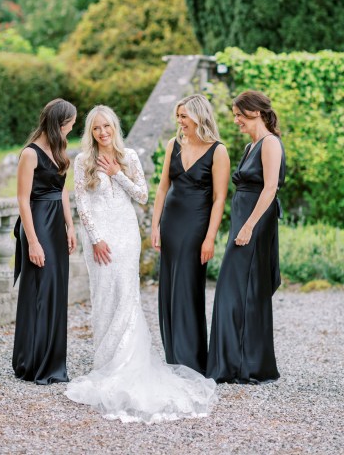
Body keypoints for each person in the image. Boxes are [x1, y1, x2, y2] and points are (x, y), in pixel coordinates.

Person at [65, 105, 217, 423]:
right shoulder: (81, 161)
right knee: (103, 297)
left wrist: (116, 173)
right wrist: (95, 238)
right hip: (100, 239)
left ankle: (127, 363)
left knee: (127, 297)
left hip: (126, 236)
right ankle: (104, 364)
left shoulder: (129, 156)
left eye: (107, 126)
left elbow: (143, 195)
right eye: (96, 128)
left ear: (114, 127)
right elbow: (81, 202)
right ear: (90, 133)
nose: (102, 132)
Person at [206, 90, 286, 384]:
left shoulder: (269, 144)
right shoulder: (250, 146)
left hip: (255, 225)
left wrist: (249, 226)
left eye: (239, 114)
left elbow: (270, 189)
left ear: (255, 112)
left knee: (243, 291)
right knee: (237, 292)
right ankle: (235, 363)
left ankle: (248, 366)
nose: (236, 120)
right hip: (243, 222)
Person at [152, 94, 230, 374]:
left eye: (184, 116)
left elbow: (219, 199)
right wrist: (155, 225)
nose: (180, 121)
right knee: (169, 288)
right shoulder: (174, 144)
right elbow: (162, 187)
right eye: (178, 116)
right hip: (171, 224)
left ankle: (192, 360)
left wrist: (210, 237)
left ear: (199, 116)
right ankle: (173, 355)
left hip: (196, 226)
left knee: (188, 287)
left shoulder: (218, 150)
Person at [12, 98, 77, 385]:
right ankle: (32, 362)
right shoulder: (30, 154)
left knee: (55, 290)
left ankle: (52, 361)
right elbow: (23, 201)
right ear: (59, 124)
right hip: (37, 223)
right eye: (70, 126)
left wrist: (70, 226)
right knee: (40, 290)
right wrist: (34, 243)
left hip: (56, 226)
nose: (70, 131)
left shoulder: (60, 150)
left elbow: (62, 190)